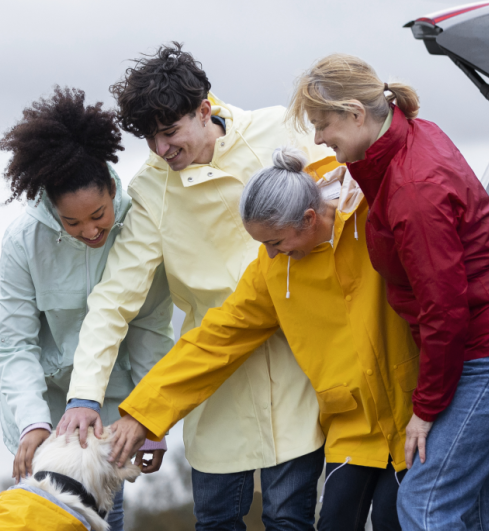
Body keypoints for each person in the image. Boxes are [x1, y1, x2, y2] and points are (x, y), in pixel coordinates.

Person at [106, 147, 489, 531]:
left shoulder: (372, 216)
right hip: (351, 430)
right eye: (263, 244)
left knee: (399, 517)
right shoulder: (270, 272)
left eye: (277, 242)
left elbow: (451, 237)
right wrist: (143, 414)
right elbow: (213, 343)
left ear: (309, 216)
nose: (270, 253)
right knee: (336, 520)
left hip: (417, 418)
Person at [52, 43, 333, 531]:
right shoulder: (149, 191)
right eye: (149, 138)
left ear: (205, 110)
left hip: (300, 367)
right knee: (216, 522)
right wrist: (83, 397)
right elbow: (114, 301)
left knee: (292, 520)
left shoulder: (279, 129)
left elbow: (343, 204)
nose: (161, 150)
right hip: (213, 379)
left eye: (169, 132)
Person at [287, 54, 489, 531]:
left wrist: (425, 411)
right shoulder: (409, 137)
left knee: (426, 505)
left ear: (354, 113)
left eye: (323, 124)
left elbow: (445, 309)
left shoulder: (413, 185)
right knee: (476, 510)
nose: (318, 139)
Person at [0, 87, 174, 531]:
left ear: (113, 188)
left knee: (106, 521)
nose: (90, 230)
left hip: (112, 419)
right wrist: (33, 423)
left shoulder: (142, 227)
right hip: (47, 420)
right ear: (51, 207)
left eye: (99, 214)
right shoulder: (23, 242)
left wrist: (153, 419)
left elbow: (149, 329)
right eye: (72, 222)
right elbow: (15, 346)